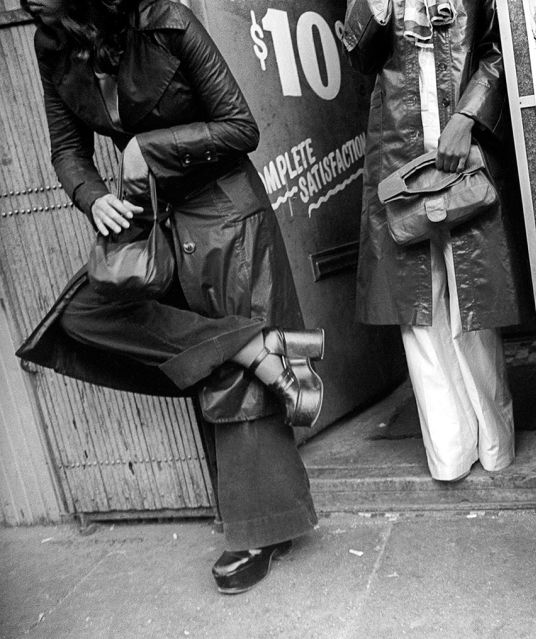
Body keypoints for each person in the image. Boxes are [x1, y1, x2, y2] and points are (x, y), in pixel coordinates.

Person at [17, 0, 322, 594]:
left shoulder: (166, 20)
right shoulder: (52, 43)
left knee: (226, 374)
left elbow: (242, 127)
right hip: (150, 216)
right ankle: (250, 344)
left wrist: (148, 148)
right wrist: (92, 196)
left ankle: (259, 529)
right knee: (83, 316)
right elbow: (67, 149)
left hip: (223, 208)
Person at [340, 0, 525, 481]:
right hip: (397, 148)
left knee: (473, 296)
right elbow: (360, 56)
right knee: (418, 307)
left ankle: (495, 443)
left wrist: (467, 117)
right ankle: (450, 453)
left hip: (464, 144)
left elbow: (500, 46)